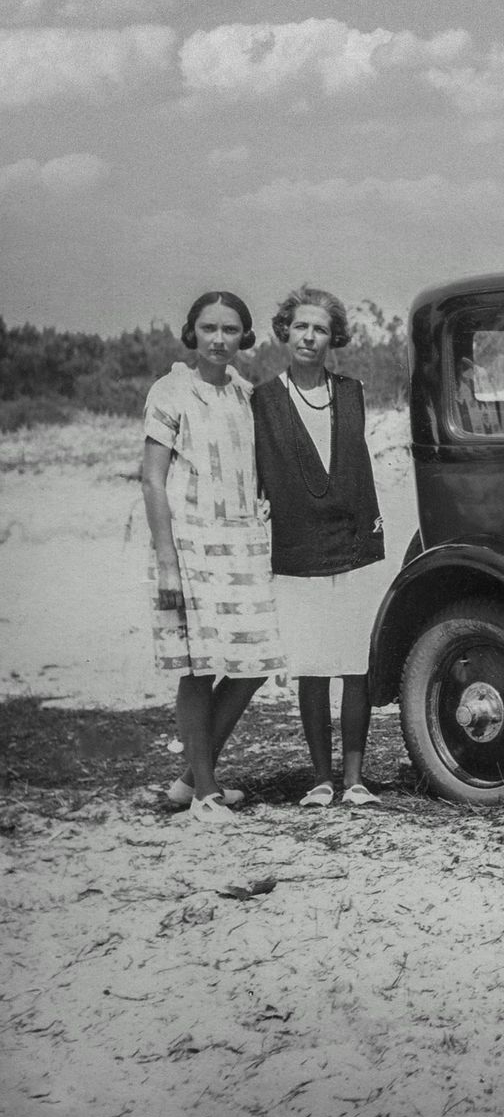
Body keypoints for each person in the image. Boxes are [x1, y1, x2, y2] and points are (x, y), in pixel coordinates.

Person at [141, 291, 285, 825]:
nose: (219, 339)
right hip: (189, 544)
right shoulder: (172, 390)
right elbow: (152, 479)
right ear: (193, 333)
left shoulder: (247, 395)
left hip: (243, 543)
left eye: (229, 330)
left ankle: (188, 780)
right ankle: (204, 791)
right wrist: (167, 561)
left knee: (253, 663)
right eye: (208, 329)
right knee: (197, 668)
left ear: (244, 337)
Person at [252, 287, 387, 808]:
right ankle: (321, 779)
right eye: (302, 326)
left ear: (335, 338)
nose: (310, 336)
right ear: (285, 330)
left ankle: (354, 779)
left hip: (353, 538)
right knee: (311, 663)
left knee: (355, 662)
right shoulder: (262, 400)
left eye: (321, 329)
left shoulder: (351, 391)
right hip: (297, 542)